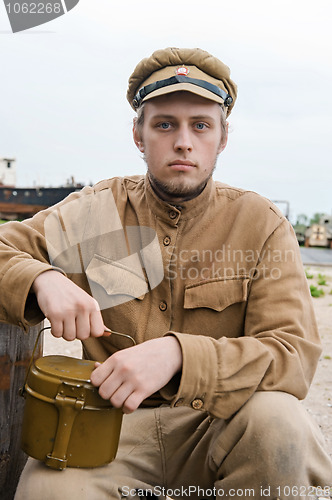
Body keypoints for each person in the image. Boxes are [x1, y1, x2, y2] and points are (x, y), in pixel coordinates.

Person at [0, 47, 331, 500]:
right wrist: (41, 278)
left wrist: (179, 357)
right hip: (109, 427)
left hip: (220, 424)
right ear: (138, 135)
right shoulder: (96, 210)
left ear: (222, 138)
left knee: (280, 424)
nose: (183, 141)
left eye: (200, 125)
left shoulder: (261, 224)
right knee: (45, 491)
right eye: (164, 124)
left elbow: (290, 355)